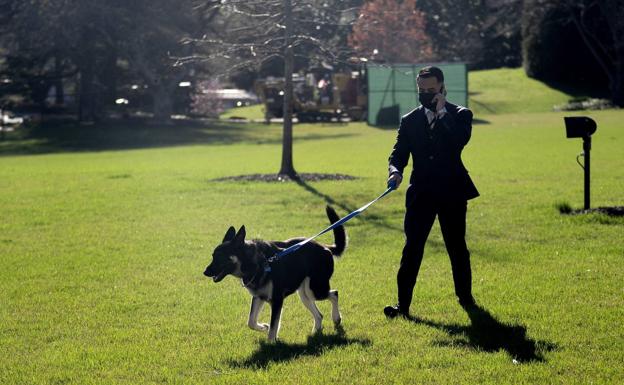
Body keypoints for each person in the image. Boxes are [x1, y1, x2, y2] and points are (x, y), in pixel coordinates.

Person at [384, 66, 479, 318]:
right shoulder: (410, 120)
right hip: (421, 193)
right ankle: (402, 306)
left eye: (431, 89)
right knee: (412, 248)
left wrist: (442, 112)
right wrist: (395, 170)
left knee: (456, 246)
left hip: (452, 191)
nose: (426, 93)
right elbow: (398, 153)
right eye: (421, 90)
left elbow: (459, 140)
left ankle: (466, 299)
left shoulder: (461, 115)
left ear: (442, 88)